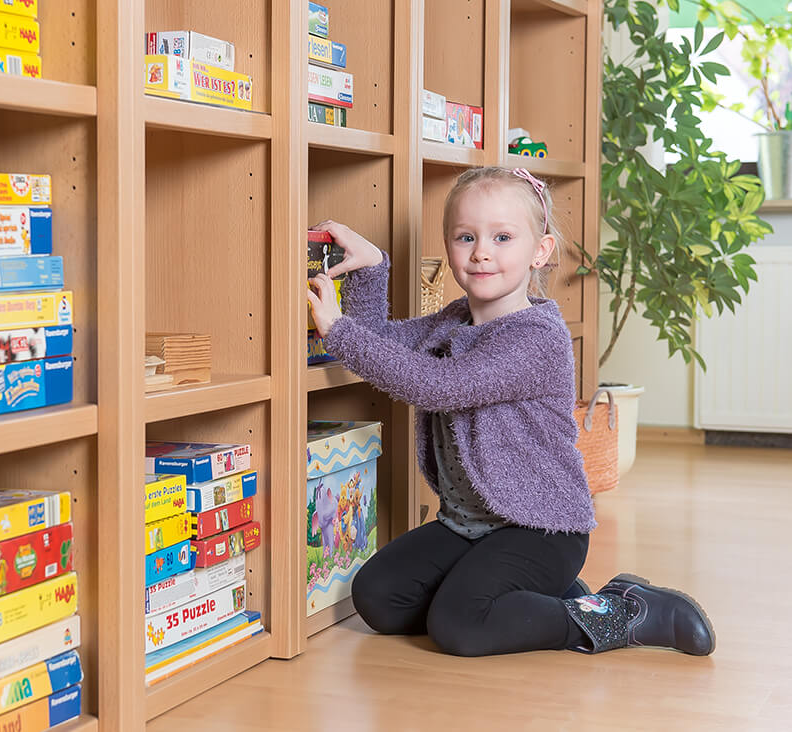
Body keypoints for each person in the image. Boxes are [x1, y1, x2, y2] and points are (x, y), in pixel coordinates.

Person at [305, 167, 714, 657]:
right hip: (468, 525)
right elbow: (378, 344)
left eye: (502, 237)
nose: (481, 251)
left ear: (539, 251)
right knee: (378, 597)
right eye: (465, 237)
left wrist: (338, 330)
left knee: (460, 624)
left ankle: (624, 613)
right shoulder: (455, 318)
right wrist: (371, 267)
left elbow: (438, 386)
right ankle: (541, 600)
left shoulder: (535, 337)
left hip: (541, 529)